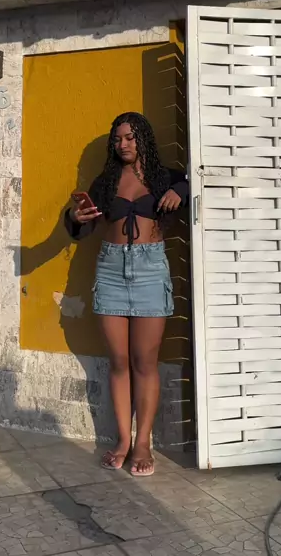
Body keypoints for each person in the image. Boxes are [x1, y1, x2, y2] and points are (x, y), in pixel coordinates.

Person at [65, 112, 188, 477]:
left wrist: (179, 191)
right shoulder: (105, 182)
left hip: (150, 270)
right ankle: (122, 440)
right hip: (111, 270)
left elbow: (196, 182)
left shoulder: (166, 177)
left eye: (130, 137)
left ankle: (143, 443)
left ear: (143, 138)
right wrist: (76, 217)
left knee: (144, 361)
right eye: (118, 139)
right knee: (118, 361)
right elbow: (81, 226)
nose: (123, 144)